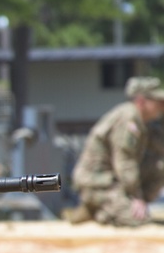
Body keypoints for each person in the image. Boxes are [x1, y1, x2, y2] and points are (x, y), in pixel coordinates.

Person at [68, 76, 164, 226]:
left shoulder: (144, 122)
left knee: (159, 167)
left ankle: (105, 207)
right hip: (98, 182)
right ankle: (101, 212)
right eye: (157, 101)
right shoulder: (128, 117)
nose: (161, 105)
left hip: (113, 180)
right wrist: (136, 197)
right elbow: (125, 162)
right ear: (141, 101)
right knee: (136, 221)